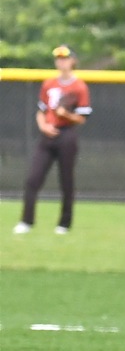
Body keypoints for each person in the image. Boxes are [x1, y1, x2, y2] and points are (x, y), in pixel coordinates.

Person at [13, 45, 92, 235]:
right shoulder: (49, 84)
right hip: (47, 135)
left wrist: (66, 114)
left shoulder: (79, 86)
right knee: (33, 179)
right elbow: (41, 111)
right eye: (58, 58)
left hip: (66, 135)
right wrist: (43, 126)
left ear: (72, 61)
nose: (61, 62)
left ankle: (64, 224)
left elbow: (82, 118)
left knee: (66, 181)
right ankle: (26, 221)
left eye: (65, 58)